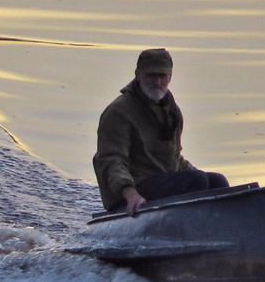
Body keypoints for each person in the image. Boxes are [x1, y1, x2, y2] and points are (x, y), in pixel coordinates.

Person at [93, 48, 228, 216]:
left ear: (170, 76)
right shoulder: (119, 112)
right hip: (132, 189)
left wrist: (197, 173)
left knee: (217, 181)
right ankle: (191, 231)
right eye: (151, 75)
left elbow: (173, 157)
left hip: (163, 181)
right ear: (138, 74)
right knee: (197, 181)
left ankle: (221, 230)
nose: (157, 81)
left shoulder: (171, 111)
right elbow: (111, 160)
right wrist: (130, 194)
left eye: (162, 76)